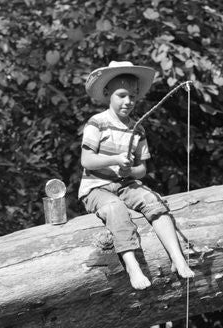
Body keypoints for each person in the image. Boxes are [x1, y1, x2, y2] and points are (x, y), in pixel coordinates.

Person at [79, 60, 194, 289]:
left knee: (154, 201)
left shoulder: (137, 129)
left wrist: (128, 170)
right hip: (96, 188)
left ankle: (177, 257)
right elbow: (87, 160)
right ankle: (132, 265)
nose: (128, 101)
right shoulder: (97, 123)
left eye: (132, 96)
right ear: (107, 93)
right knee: (115, 209)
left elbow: (142, 170)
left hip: (126, 184)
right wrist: (113, 160)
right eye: (121, 95)